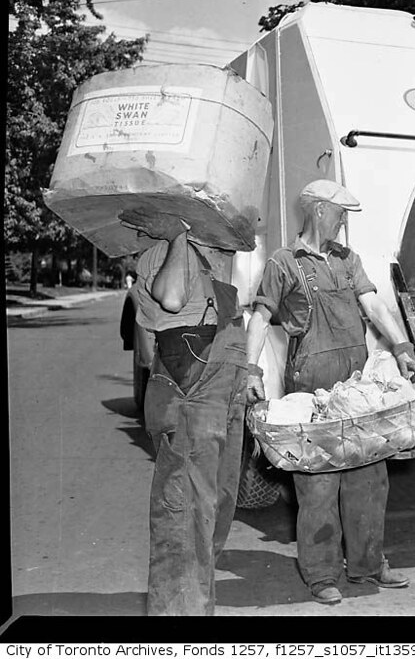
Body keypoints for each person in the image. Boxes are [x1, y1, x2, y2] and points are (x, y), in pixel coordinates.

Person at [244, 179, 415, 606]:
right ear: (319, 210)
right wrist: (250, 369)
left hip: (358, 387)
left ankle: (367, 565)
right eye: (340, 212)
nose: (344, 221)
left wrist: (401, 348)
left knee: (369, 479)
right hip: (311, 386)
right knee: (319, 486)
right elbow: (259, 316)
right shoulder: (284, 262)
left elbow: (374, 305)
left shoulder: (348, 260)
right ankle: (321, 574)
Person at [120, 209, 250, 616]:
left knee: (217, 506)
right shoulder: (161, 253)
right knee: (187, 516)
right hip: (191, 390)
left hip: (219, 382)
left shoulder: (209, 252)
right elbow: (173, 299)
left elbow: (144, 353)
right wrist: (177, 236)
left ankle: (193, 604)